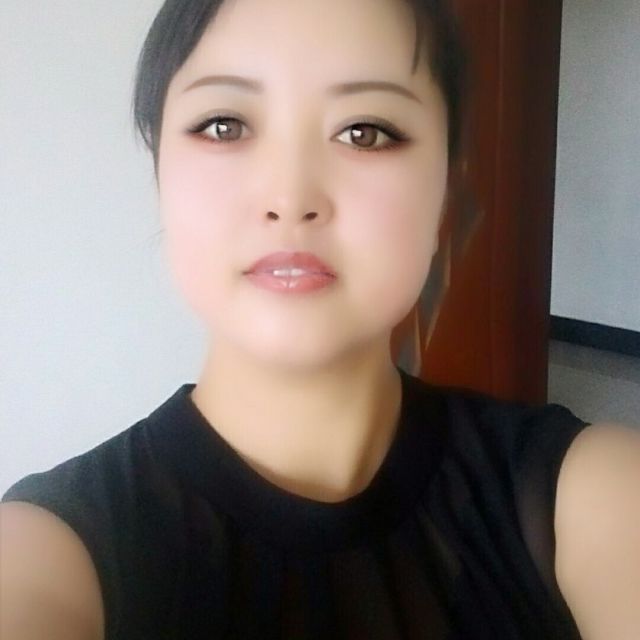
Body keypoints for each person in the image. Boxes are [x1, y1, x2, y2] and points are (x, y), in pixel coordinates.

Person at [1, 0, 639, 638]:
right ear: (159, 172)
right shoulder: (43, 555)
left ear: (446, 188)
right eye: (224, 125)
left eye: (365, 132)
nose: (290, 197)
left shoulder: (598, 489)